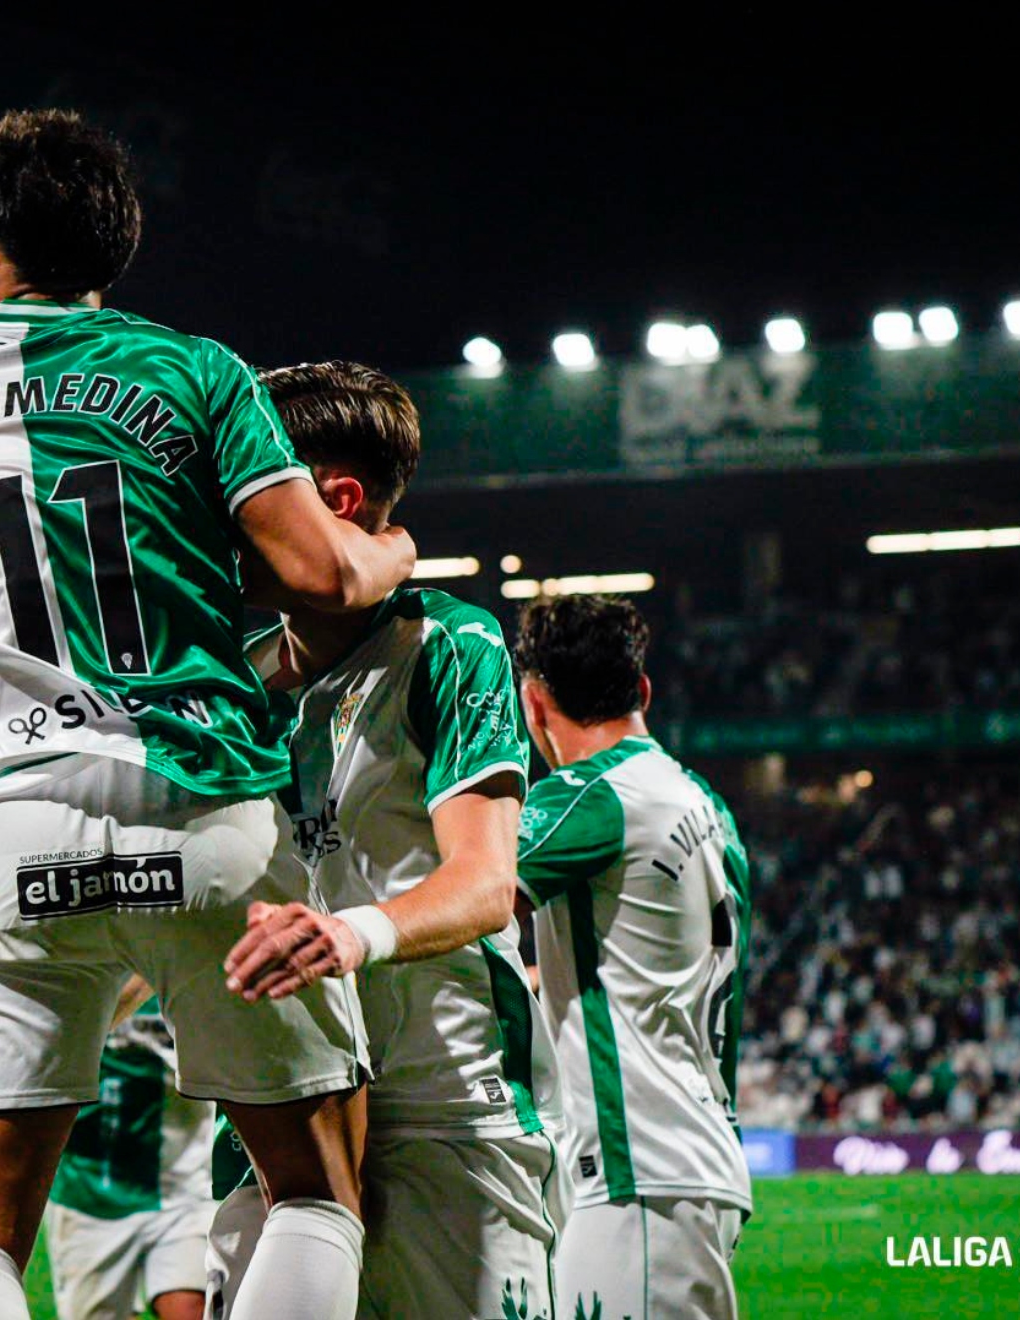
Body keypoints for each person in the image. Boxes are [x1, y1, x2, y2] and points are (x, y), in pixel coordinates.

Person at [0, 109, 415, 1320]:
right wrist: (393, 552)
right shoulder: (195, 371)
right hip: (205, 818)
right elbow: (322, 577)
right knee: (314, 1193)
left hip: (10, 836)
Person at [214, 362, 565, 1319]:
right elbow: (194, 913)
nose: (222, 510)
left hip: (441, 1098)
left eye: (246, 483)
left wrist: (349, 935)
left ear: (336, 499)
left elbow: (487, 884)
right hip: (283, 1100)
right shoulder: (233, 687)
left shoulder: (449, 646)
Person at [511, 595, 753, 1320]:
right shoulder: (706, 805)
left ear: (534, 702)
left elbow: (468, 895)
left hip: (637, 1169)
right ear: (643, 690)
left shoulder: (590, 798)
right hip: (694, 1158)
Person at [45, 1002, 214, 1320]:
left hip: (184, 1185)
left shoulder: (189, 963)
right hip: (89, 1196)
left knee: (192, 1309)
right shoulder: (78, 969)